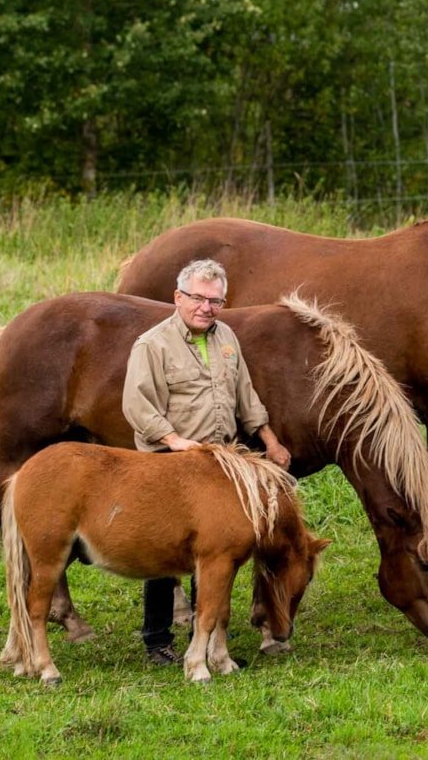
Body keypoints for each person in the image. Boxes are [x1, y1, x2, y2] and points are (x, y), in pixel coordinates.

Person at [122, 258, 291, 665]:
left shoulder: (227, 338)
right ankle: (157, 640)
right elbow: (137, 405)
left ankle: (212, 636)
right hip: (170, 462)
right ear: (178, 298)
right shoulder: (153, 344)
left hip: (220, 463)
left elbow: (246, 397)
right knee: (166, 551)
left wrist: (269, 439)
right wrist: (173, 440)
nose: (206, 307)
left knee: (218, 549)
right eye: (198, 298)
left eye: (215, 301)